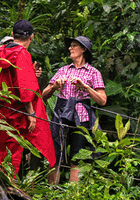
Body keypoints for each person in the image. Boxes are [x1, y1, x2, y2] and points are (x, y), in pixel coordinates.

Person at [0, 20, 56, 175]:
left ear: (13, 35)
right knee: (13, 152)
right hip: (15, 113)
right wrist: (31, 113)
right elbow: (25, 88)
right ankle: (10, 183)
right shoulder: (22, 54)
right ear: (31, 37)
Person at [42, 35, 107, 184]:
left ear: (83, 49)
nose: (70, 48)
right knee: (55, 154)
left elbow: (102, 100)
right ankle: (51, 191)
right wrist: (54, 86)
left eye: (74, 45)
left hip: (81, 116)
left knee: (77, 157)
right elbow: (44, 94)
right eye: (70, 45)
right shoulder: (63, 70)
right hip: (61, 113)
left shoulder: (93, 72)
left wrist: (86, 87)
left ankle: (73, 195)